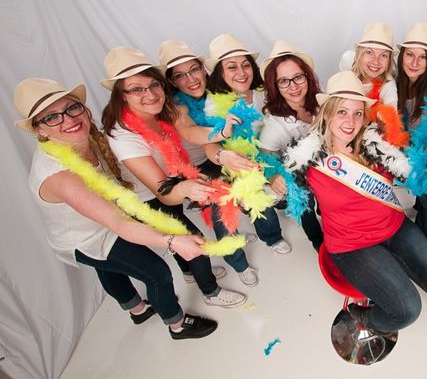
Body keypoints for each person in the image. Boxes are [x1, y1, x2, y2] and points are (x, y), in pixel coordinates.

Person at [282, 71, 427, 367]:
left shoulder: (377, 147)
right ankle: (366, 318)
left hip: (394, 227)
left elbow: (416, 177)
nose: (350, 121)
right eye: (342, 112)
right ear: (327, 114)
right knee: (408, 309)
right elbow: (272, 188)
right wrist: (273, 182)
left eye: (357, 113)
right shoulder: (306, 159)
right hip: (353, 246)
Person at [14, 77, 217, 339]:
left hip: (107, 216)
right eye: (51, 117)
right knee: (156, 272)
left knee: (108, 267)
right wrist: (172, 241)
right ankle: (177, 324)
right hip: (86, 237)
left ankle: (136, 309)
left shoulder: (88, 136)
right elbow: (118, 223)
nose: (68, 119)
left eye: (72, 108)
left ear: (83, 109)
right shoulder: (60, 176)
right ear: (40, 130)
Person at [100, 46, 246, 307]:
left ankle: (189, 272)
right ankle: (211, 292)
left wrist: (222, 134)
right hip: (147, 199)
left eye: (153, 85)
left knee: (182, 228)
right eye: (136, 89)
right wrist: (187, 187)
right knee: (192, 240)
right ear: (122, 96)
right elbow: (162, 193)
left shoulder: (163, 110)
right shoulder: (124, 136)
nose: (149, 94)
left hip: (173, 181)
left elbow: (189, 134)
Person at [157, 39, 260, 287]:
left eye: (194, 70)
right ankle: (238, 261)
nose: (190, 79)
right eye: (180, 75)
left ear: (204, 70)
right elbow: (191, 133)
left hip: (222, 154)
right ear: (172, 82)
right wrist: (222, 132)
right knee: (222, 208)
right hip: (196, 167)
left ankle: (243, 229)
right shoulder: (177, 106)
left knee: (247, 190)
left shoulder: (219, 91)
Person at [206, 34, 293, 255]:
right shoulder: (213, 103)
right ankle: (272, 237)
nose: (241, 72)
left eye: (245, 65)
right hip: (243, 162)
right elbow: (210, 140)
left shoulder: (264, 91)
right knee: (260, 202)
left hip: (273, 150)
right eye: (232, 67)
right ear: (220, 73)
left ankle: (284, 200)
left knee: (288, 180)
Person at [258, 40, 323, 251]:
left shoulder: (321, 102)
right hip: (297, 176)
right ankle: (318, 242)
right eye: (283, 81)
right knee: (304, 204)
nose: (293, 86)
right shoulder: (274, 126)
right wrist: (273, 176)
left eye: (297, 77)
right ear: (275, 86)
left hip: (324, 168)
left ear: (307, 76)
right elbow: (263, 157)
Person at [395, 22, 427, 241]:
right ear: (401, 55)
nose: (414, 63)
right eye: (410, 55)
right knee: (413, 183)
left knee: (426, 194)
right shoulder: (396, 82)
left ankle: (425, 237)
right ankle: (416, 205)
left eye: (422, 57)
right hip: (405, 143)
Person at [340, 22, 398, 107]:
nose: (376, 61)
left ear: (389, 60)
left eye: (383, 55)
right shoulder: (348, 60)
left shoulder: (388, 87)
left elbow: (391, 112)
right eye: (369, 52)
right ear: (359, 54)